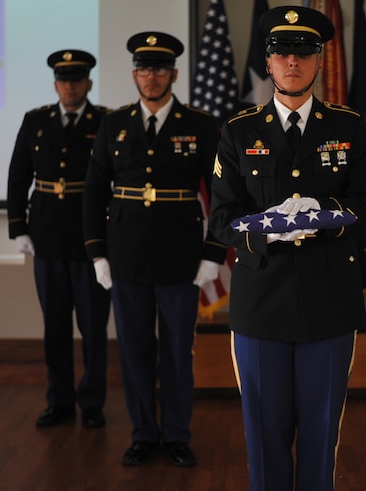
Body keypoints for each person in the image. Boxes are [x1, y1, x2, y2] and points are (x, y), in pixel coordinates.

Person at [208, 6, 366, 491]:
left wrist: (323, 215)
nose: (293, 62)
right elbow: (221, 220)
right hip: (261, 303)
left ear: (318, 61)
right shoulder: (239, 131)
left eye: (304, 53)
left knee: (320, 430)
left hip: (328, 300)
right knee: (264, 435)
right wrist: (267, 228)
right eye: (282, 53)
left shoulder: (349, 128)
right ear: (268, 62)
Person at [82, 31, 226, 467]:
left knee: (178, 350)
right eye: (143, 69)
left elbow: (222, 192)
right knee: (134, 349)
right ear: (134, 75)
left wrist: (212, 253)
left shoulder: (200, 125)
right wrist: (98, 253)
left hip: (181, 257)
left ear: (174, 74)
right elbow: (93, 192)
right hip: (125, 256)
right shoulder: (113, 124)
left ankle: (178, 433)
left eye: (159, 69)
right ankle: (143, 433)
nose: (150, 77)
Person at [7, 49, 111, 429]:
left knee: (94, 327)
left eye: (77, 79)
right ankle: (60, 400)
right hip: (47, 238)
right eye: (64, 80)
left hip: (92, 241)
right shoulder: (36, 121)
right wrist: (18, 226)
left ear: (88, 83)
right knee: (54, 326)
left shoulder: (106, 122)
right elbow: (19, 176)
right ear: (56, 85)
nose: (70, 85)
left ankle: (93, 401)